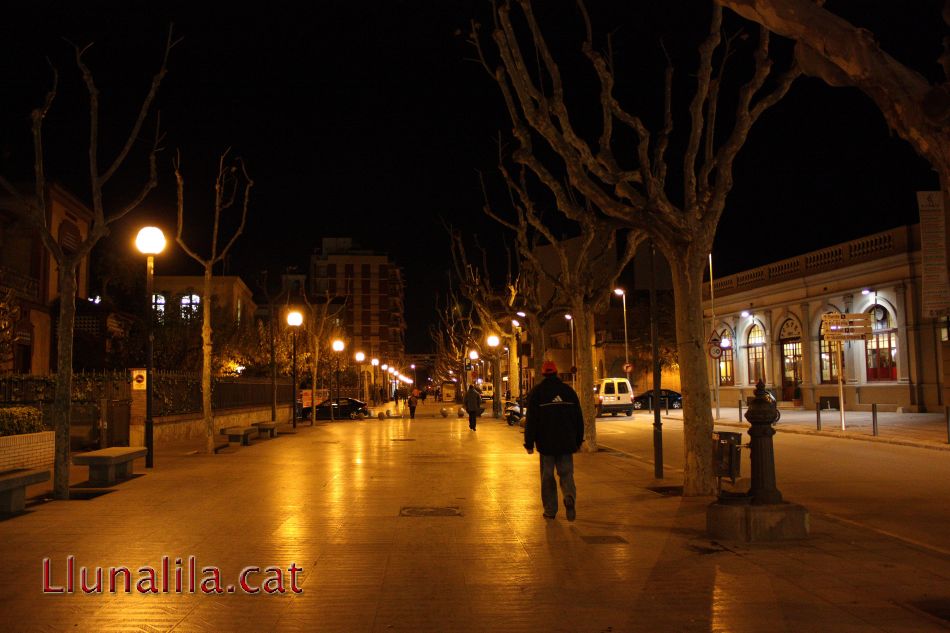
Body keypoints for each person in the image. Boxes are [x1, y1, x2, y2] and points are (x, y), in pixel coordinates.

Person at [524, 360, 584, 521]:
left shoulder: (537, 393)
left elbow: (531, 420)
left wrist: (529, 443)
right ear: (556, 373)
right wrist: (578, 441)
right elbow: (579, 418)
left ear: (543, 374)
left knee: (547, 476)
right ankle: (569, 496)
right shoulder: (568, 391)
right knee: (566, 474)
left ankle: (550, 510)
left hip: (546, 444)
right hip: (566, 443)